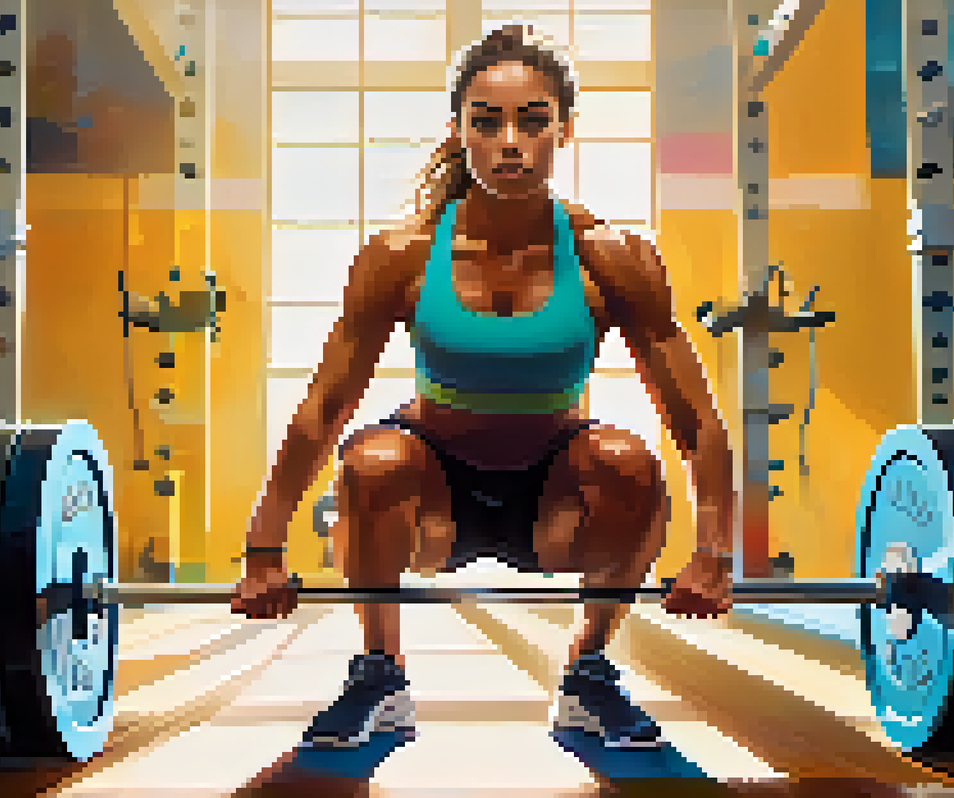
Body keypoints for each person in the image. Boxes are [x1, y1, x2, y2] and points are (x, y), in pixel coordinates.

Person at [232, 23, 758, 751]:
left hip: (554, 500)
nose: (510, 141)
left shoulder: (612, 258)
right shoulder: (401, 256)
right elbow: (325, 407)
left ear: (565, 130)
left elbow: (694, 419)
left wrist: (715, 552)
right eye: (487, 122)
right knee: (371, 463)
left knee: (628, 463)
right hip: (432, 499)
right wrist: (263, 546)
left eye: (533, 121)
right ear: (458, 131)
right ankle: (379, 672)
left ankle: (589, 672)